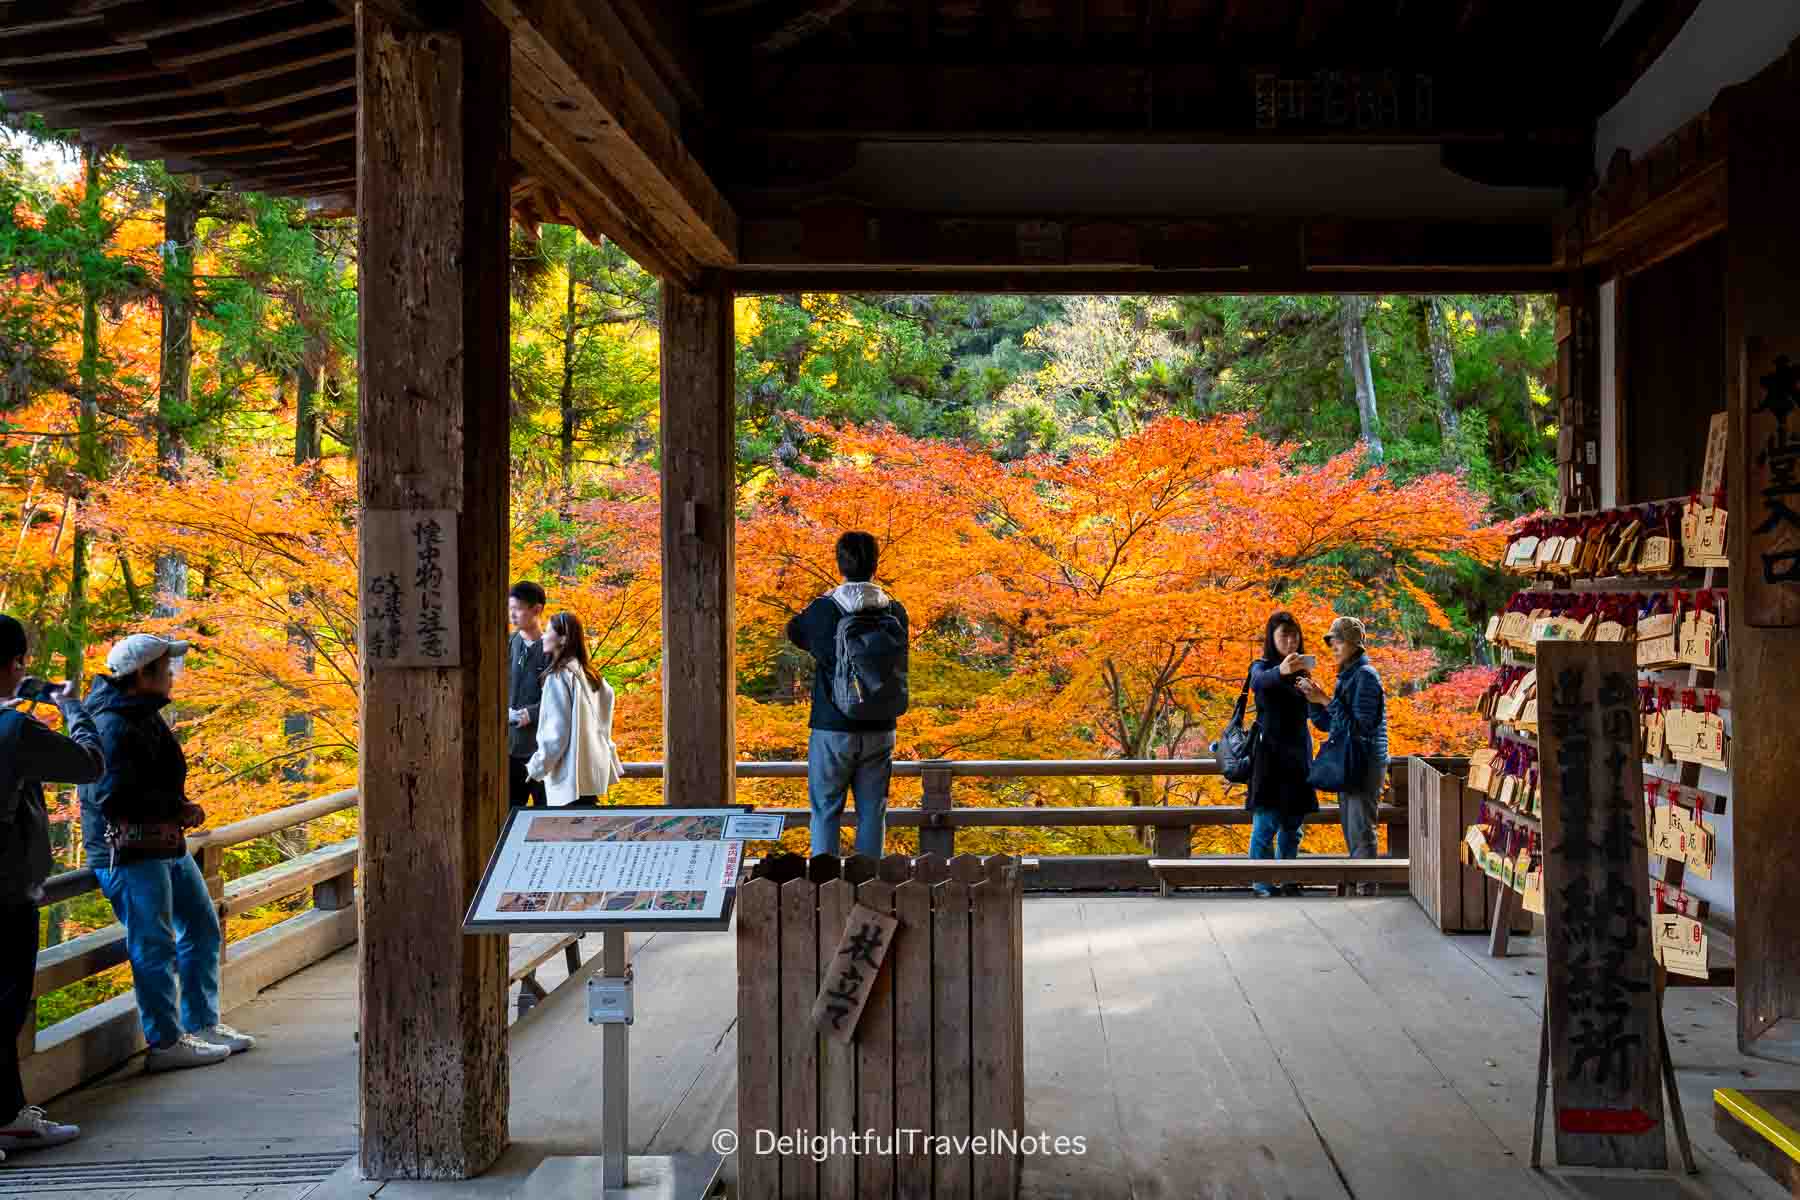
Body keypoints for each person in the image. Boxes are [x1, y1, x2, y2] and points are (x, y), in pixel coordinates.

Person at [82, 634, 255, 1072]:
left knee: (202, 926)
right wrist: (176, 809)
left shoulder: (141, 714)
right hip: (129, 853)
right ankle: (165, 1041)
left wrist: (175, 810)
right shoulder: (112, 723)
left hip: (163, 843)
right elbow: (108, 795)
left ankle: (202, 1023)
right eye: (165, 667)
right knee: (153, 944)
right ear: (142, 674)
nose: (173, 674)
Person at [0, 615, 102, 1156]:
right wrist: (71, 707)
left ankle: (11, 1115)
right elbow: (89, 764)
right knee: (7, 1004)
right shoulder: (14, 730)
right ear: (15, 664)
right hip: (5, 893)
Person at [786, 531, 909, 858]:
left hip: (832, 725)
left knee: (826, 809)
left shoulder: (824, 609)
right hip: (882, 727)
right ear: (875, 564)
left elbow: (794, 630)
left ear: (839, 562)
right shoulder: (895, 611)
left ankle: (825, 891)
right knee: (873, 812)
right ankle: (870, 888)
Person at [1297, 616, 1389, 894]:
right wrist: (1312, 700)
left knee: (1361, 827)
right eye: (1331, 641)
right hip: (1348, 760)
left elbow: (1360, 727)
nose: (1334, 646)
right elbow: (1329, 725)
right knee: (1351, 828)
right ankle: (1361, 887)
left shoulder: (1366, 676)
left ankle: (1367, 889)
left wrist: (1326, 700)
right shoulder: (1347, 676)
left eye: (1339, 640)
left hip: (1364, 761)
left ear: (1355, 644)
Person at [1246, 611, 1320, 898]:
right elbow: (1258, 683)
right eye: (1283, 635)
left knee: (1293, 826)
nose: (1290, 641)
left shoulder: (1303, 674)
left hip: (1298, 756)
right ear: (1272, 639)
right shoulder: (1261, 667)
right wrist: (1282, 672)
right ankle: (1262, 883)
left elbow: (1314, 717)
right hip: (1269, 758)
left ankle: (1288, 879)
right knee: (1265, 824)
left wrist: (1316, 696)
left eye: (1294, 635)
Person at [527, 612, 625, 807]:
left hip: (570, 779)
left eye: (548, 631)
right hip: (593, 774)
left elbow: (555, 735)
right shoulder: (593, 676)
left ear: (563, 638)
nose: (543, 636)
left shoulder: (559, 677)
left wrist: (536, 768)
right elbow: (605, 726)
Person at [507, 581, 550, 807]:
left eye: (518, 608)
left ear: (537, 609)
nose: (512, 614)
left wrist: (532, 713)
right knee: (507, 818)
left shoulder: (552, 649)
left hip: (542, 751)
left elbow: (562, 698)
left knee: (548, 816)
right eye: (510, 608)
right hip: (509, 749)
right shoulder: (507, 644)